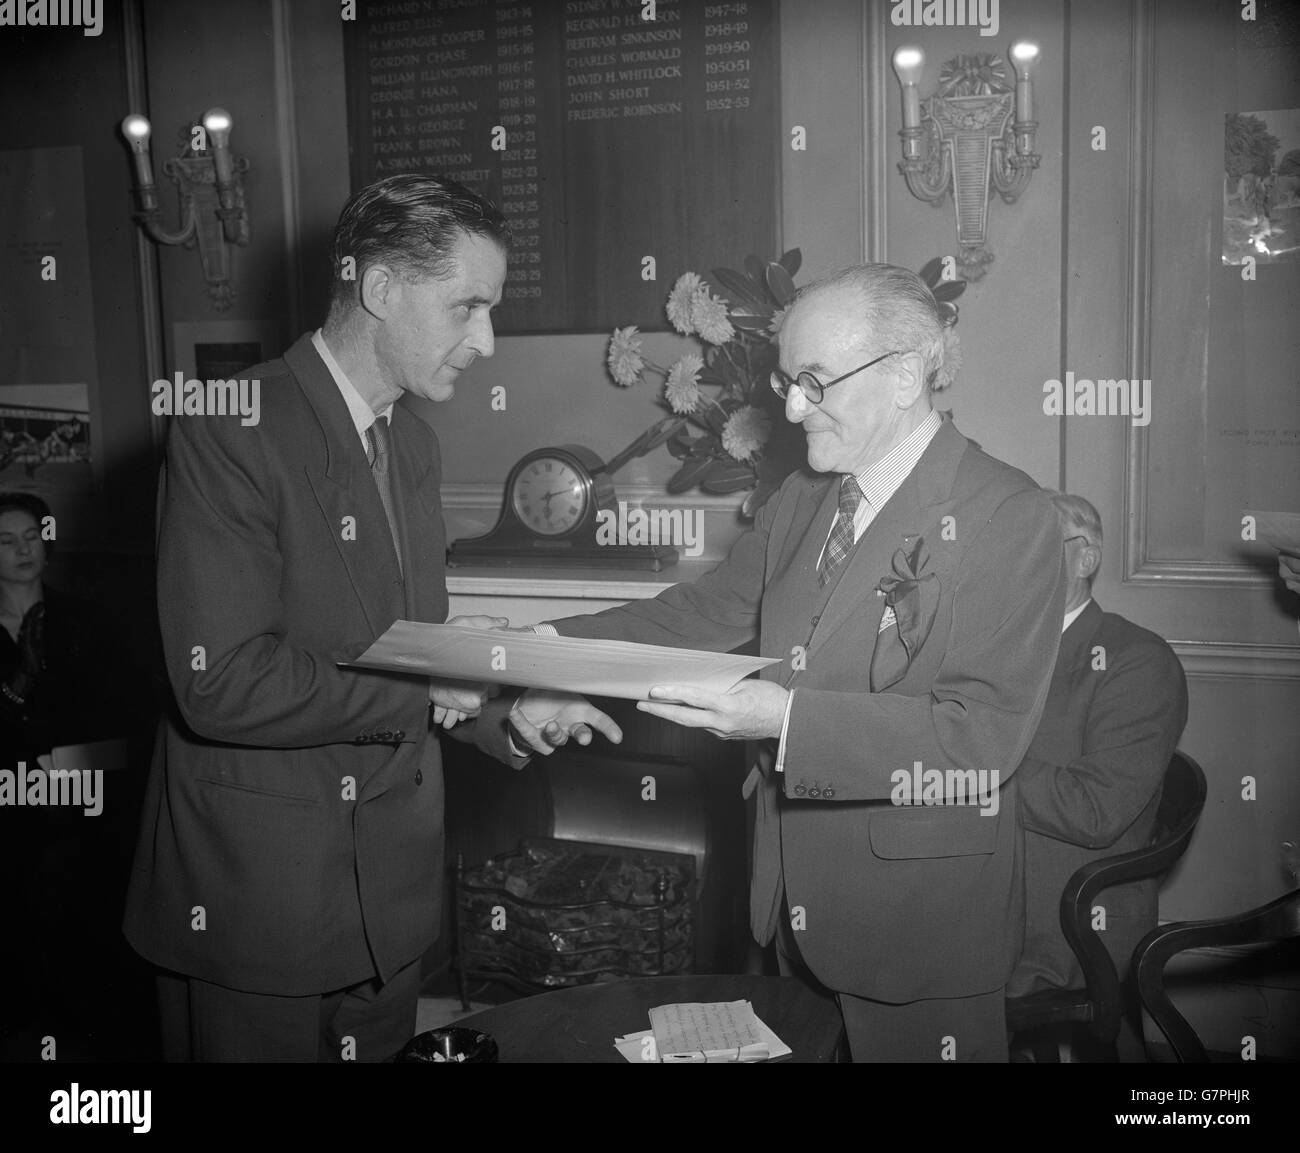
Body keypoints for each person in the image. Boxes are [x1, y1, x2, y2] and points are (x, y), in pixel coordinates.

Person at [123, 174, 619, 1062]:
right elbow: (220, 681)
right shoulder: (228, 428)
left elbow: (407, 657)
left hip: (389, 918)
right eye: (468, 306)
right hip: (257, 912)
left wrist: (508, 710)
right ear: (381, 288)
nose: (488, 341)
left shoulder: (414, 443)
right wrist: (443, 679)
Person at [528, 264, 1067, 1061]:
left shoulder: (1006, 515)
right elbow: (701, 613)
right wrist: (541, 654)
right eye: (786, 379)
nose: (787, 407)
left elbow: (980, 738)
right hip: (784, 899)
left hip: (920, 930)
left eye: (814, 381)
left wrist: (781, 718)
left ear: (907, 374)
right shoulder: (807, 495)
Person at [1008, 493, 1188, 1059]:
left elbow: (1094, 810)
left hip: (1067, 913)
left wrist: (961, 777)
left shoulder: (1138, 660)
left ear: (1084, 558)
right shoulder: (999, 652)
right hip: (987, 882)